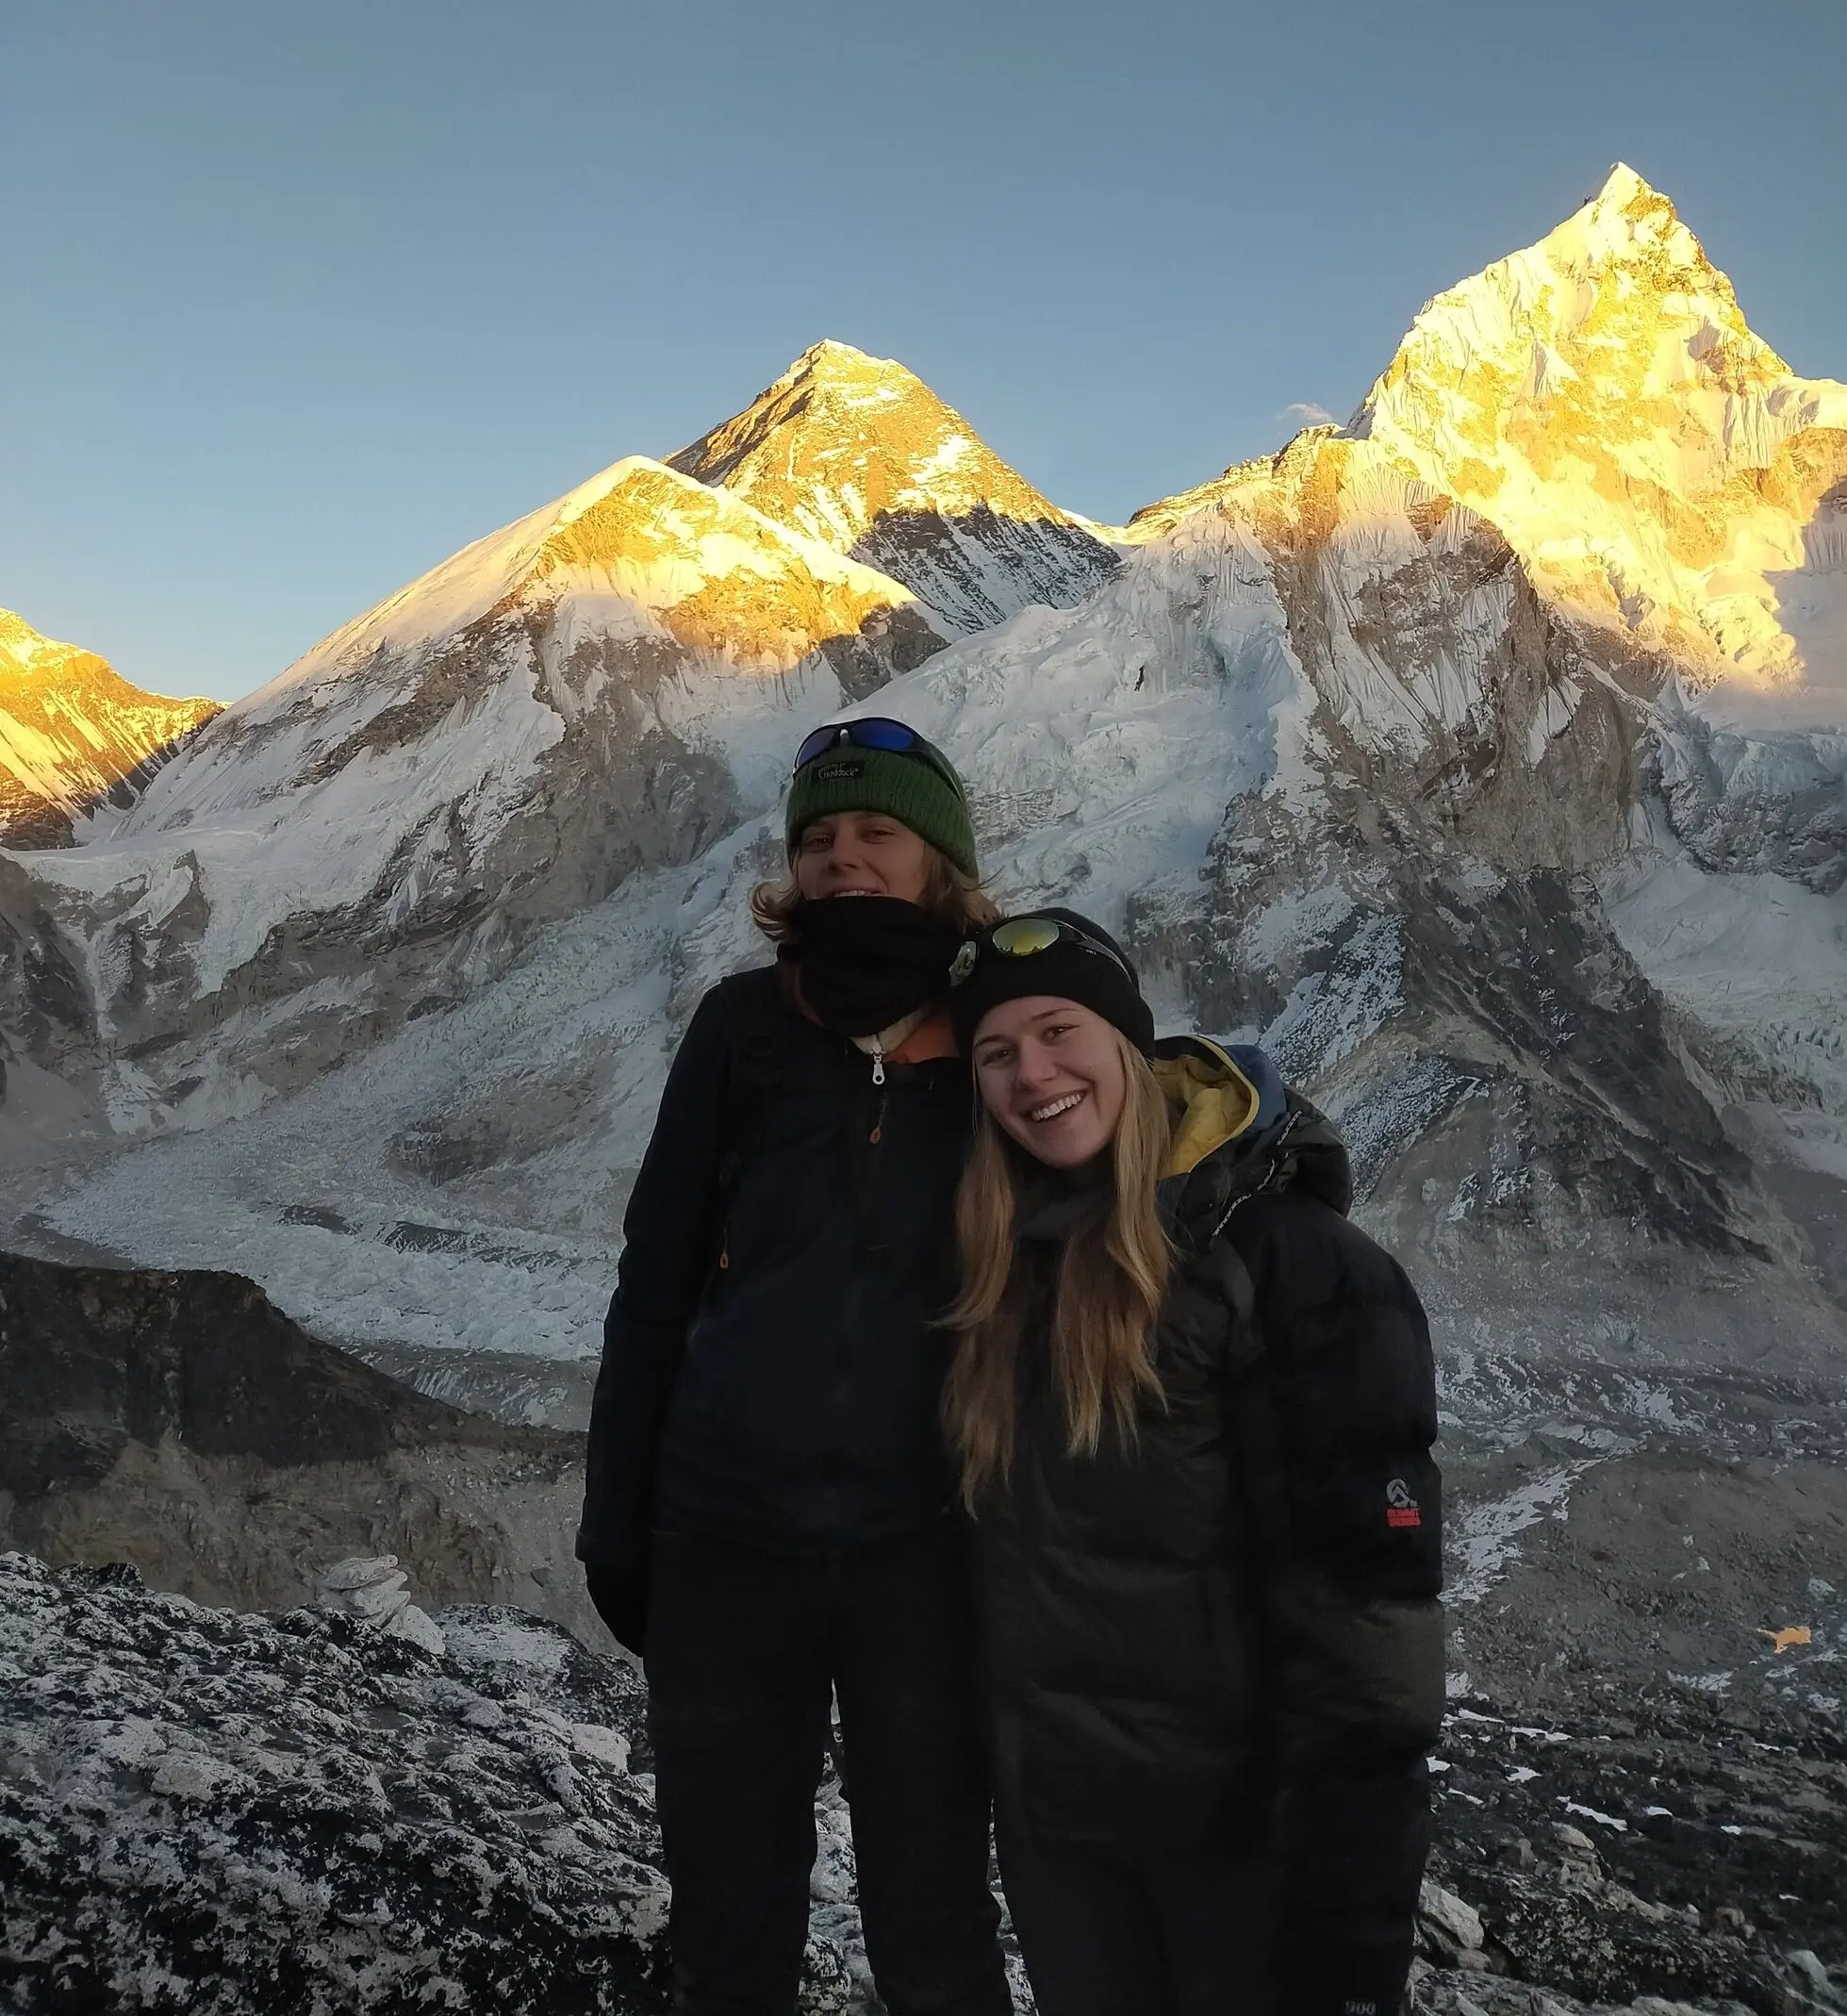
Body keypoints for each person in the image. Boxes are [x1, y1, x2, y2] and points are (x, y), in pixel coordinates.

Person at [576, 718, 1013, 2016]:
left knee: (931, 1908)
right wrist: (620, 1515)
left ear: (937, 861)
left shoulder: (998, 1037)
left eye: (874, 832)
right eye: (817, 839)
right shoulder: (741, 1028)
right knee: (727, 1899)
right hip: (724, 1537)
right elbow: (652, 1284)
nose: (841, 860)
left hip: (920, 1552)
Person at [943, 908, 1444, 2016]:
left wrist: (1353, 1935)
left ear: (1127, 1041)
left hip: (1242, 1859)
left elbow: (1368, 1623)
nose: (1034, 1074)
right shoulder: (1005, 1261)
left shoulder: (1290, 1260)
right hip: (1069, 1850)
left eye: (1059, 1030)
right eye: (997, 1052)